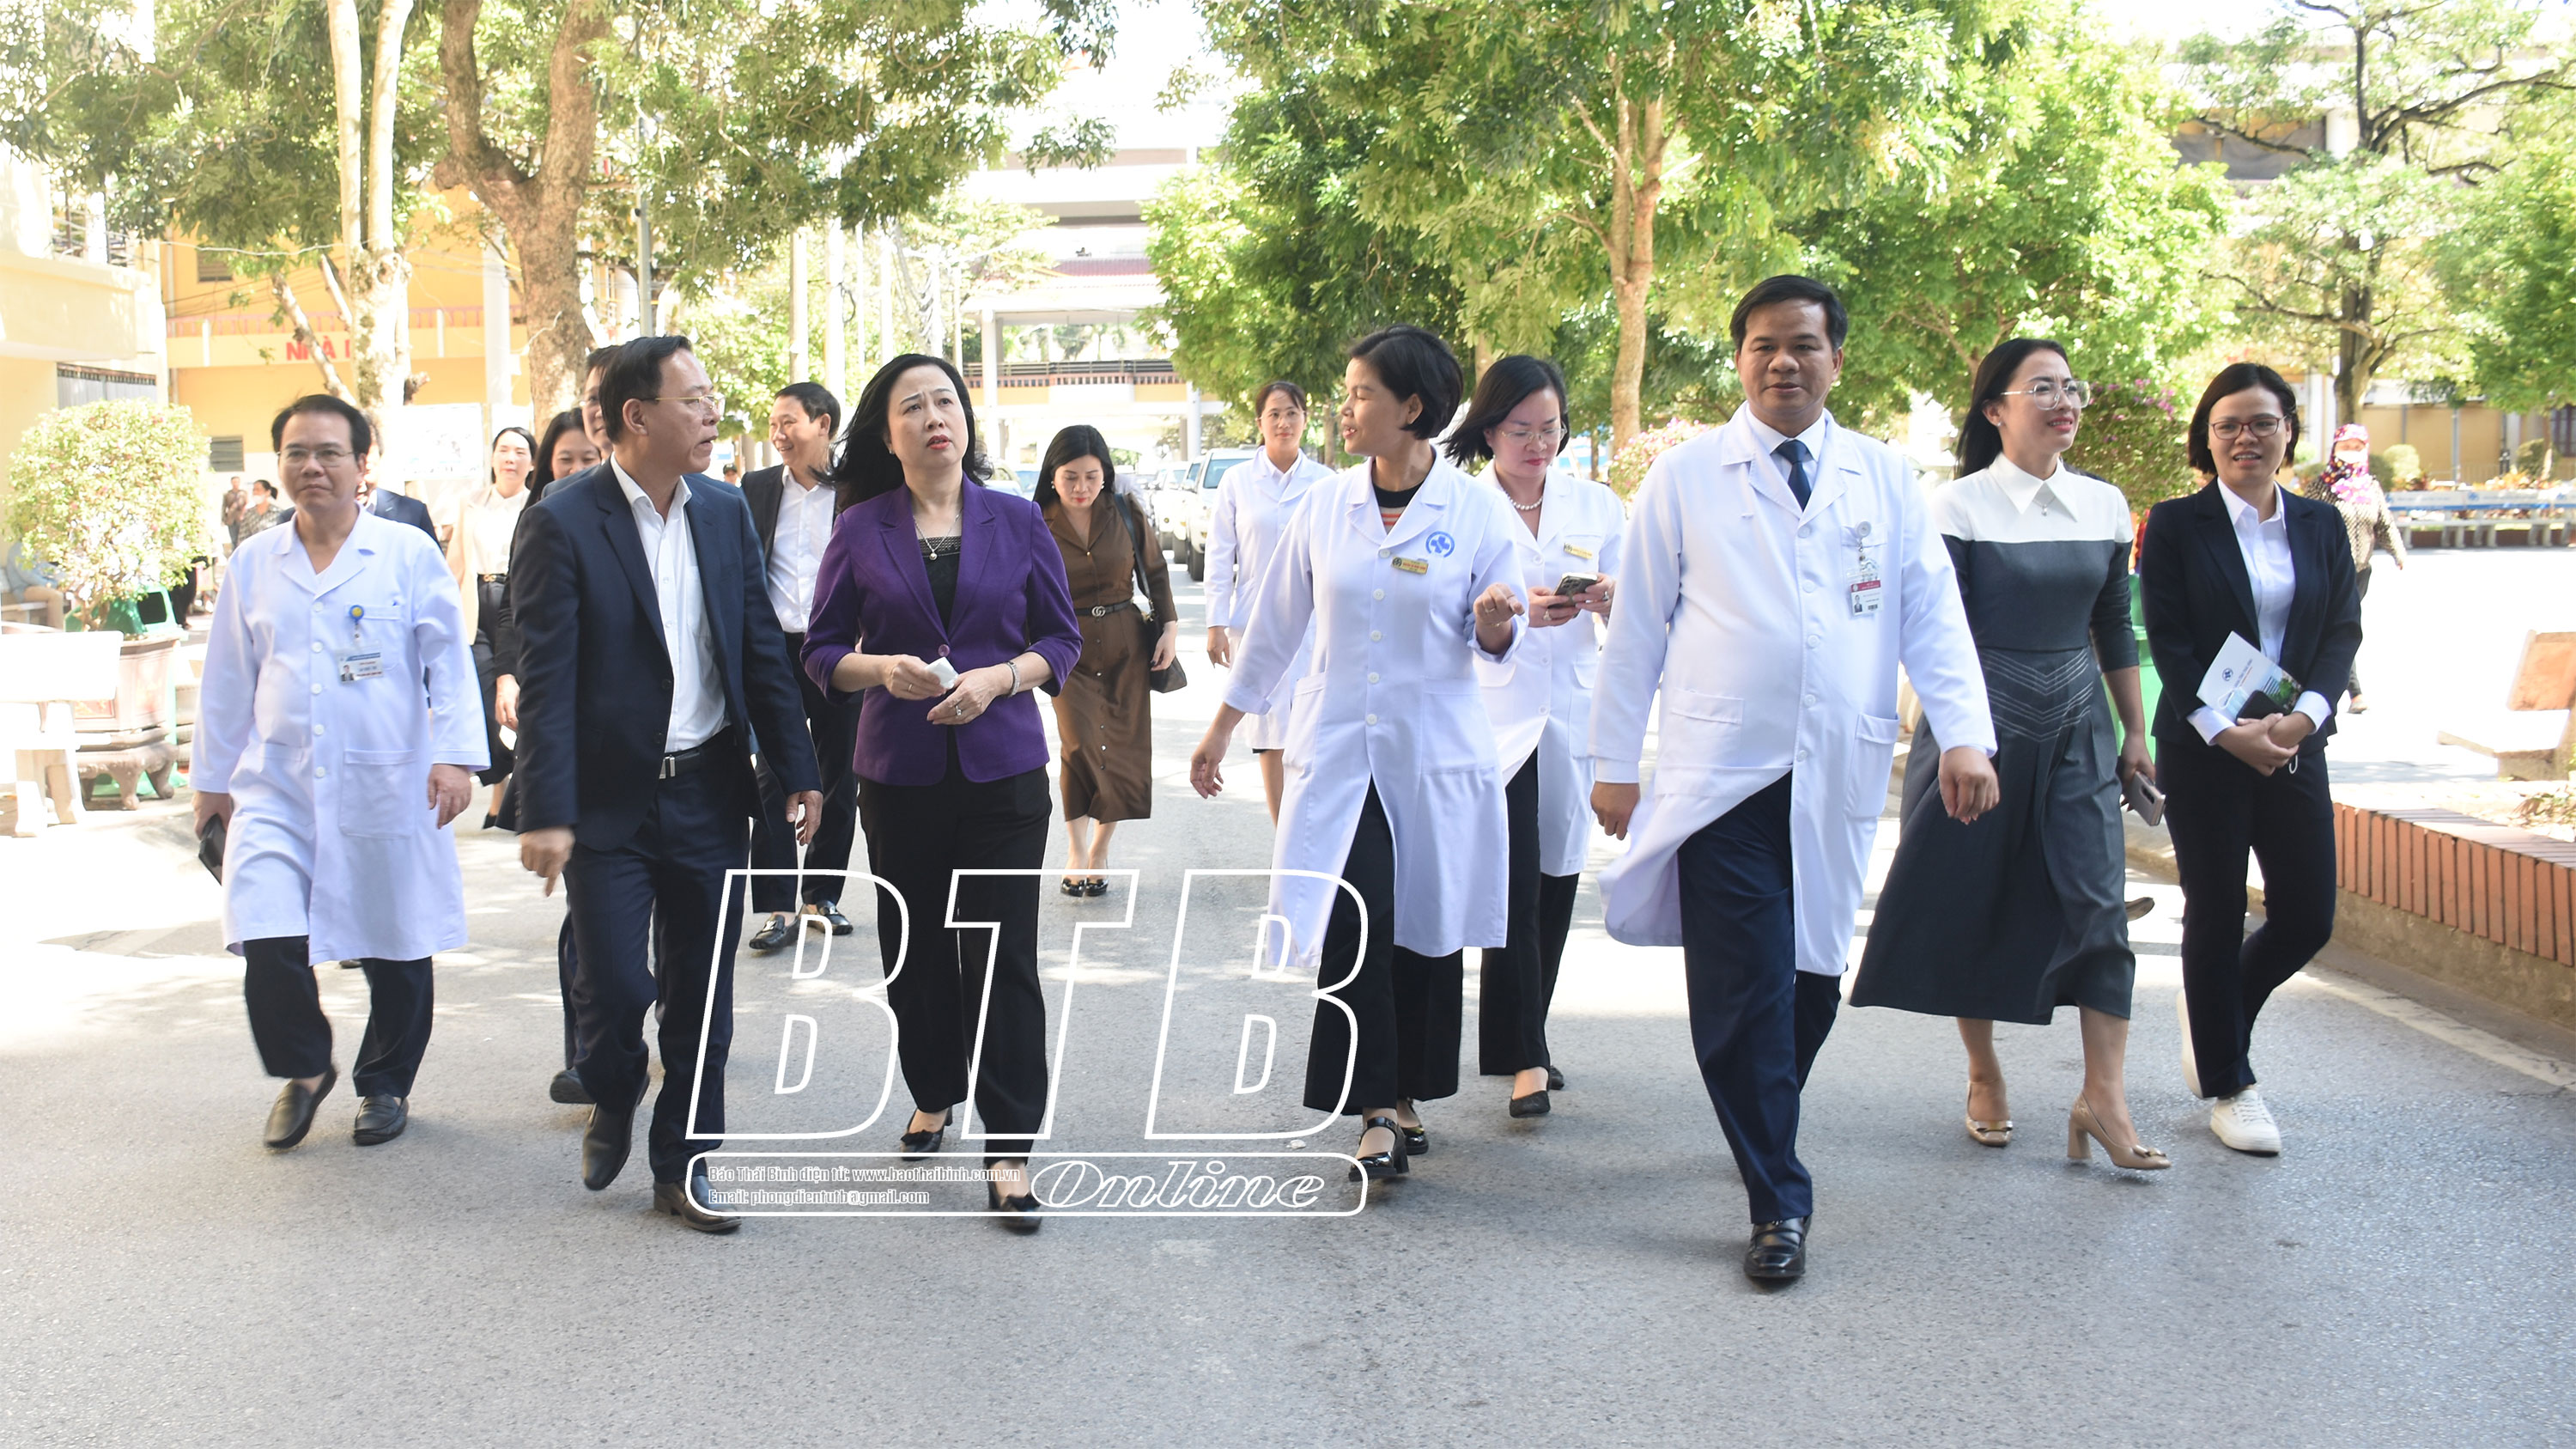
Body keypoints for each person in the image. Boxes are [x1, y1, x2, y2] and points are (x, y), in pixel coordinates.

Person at [1589, 277, 1998, 1284]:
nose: (1784, 362)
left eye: (1804, 345)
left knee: (1810, 982)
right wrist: (1613, 764)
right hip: (1723, 774)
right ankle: (1779, 1199)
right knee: (1744, 988)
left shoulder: (1883, 477)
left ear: (1836, 361)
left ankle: (1759, 1112)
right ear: (1739, 359)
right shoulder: (1687, 476)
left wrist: (1964, 736)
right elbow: (1637, 627)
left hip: (1835, 769)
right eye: (1764, 345)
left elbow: (1931, 613)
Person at [1188, 325, 1526, 1182]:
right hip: (1342, 752)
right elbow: (1275, 627)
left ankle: (1407, 1093)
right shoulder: (1326, 504)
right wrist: (1222, 728)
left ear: (1412, 407)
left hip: (1431, 752)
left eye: (1361, 394)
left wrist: (1495, 623)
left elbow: (1499, 631)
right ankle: (1375, 1107)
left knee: (1423, 927)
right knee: (1357, 918)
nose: (1345, 409)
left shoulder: (1474, 509)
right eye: (1345, 393)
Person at [512, 335, 825, 1233]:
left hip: (709, 792)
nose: (712, 412)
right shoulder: (563, 520)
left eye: (712, 396)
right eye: (693, 399)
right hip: (607, 803)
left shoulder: (723, 512)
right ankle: (613, 1087)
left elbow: (759, 649)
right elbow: (545, 680)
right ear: (636, 416)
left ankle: (684, 1164)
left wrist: (797, 768)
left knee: (702, 995)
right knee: (615, 987)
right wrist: (546, 809)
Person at [1850, 339, 2166, 1172]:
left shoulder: (2104, 504)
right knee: (1975, 900)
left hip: (2079, 732)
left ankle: (2105, 1098)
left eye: (2072, 386)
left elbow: (2112, 625)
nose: (2065, 401)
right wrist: (1961, 738)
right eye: (2043, 387)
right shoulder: (1955, 507)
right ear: (1996, 409)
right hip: (1977, 732)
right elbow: (1934, 629)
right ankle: (1983, 1070)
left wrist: (2136, 734)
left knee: (2100, 908)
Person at [803, 353, 1083, 1232]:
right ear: (888, 435)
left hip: (1003, 775)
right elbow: (821, 652)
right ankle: (933, 1090)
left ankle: (1010, 1146)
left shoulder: (1017, 518)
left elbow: (1060, 640)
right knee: (916, 955)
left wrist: (1000, 678)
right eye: (913, 406)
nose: (934, 416)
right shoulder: (860, 527)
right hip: (900, 775)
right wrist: (881, 668)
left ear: (965, 420)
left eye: (946, 402)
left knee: (1001, 958)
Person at [188, 394, 485, 1150]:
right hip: (276, 786)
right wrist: (210, 785)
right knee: (265, 933)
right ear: (280, 464)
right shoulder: (254, 562)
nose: (312, 466)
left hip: (387, 779)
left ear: (362, 464)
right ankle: (305, 1065)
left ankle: (385, 1082)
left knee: (397, 939)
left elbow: (449, 661)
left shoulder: (405, 552)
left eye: (328, 452)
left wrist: (454, 756)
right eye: (296, 453)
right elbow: (227, 681)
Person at [2141, 362, 2360, 1157]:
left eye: (2263, 422)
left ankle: (2214, 1011)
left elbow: (2341, 631)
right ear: (2206, 436)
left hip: (2294, 742)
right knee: (2216, 907)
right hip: (2204, 747)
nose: (2246, 437)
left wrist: (2304, 718)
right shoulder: (2176, 523)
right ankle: (2231, 1084)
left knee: (2307, 915)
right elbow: (2169, 638)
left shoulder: (2322, 524)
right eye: (2229, 423)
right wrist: (2222, 730)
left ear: (2288, 432)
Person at [1449, 354, 1623, 1119]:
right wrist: (1504, 620)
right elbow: (1449, 615)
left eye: (1550, 428)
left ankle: (1520, 1037)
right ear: (1490, 431)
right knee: (1514, 878)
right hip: (1495, 713)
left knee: (1554, 880)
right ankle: (1526, 1055)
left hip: (1572, 710)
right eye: (1521, 430)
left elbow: (1638, 606)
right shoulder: (1462, 505)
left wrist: (1608, 597)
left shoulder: (1598, 505)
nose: (1538, 444)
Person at [741, 382, 864, 951]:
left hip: (839, 651)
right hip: (775, 652)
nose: (778, 433)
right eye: (773, 424)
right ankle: (776, 906)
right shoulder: (757, 487)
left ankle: (821, 896)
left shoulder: (856, 491)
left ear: (823, 424)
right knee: (772, 776)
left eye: (788, 421)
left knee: (839, 775)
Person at [1036, 424, 1178, 895]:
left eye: (1091, 477)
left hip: (1126, 643)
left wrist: (1170, 629)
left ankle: (1099, 850)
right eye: (1070, 477)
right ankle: (1075, 850)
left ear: (1106, 476)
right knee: (1078, 746)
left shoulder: (1125, 511)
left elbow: (1155, 572)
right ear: (1053, 476)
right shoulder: (1035, 521)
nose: (1081, 488)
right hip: (1066, 647)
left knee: (1119, 748)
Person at [1204, 380, 1337, 821]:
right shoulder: (1238, 481)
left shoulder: (1326, 483)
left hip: (1315, 626)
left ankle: (1309, 829)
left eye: (1292, 413)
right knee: (1270, 732)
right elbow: (1219, 556)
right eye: (1274, 414)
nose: (1283, 422)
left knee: (1310, 729)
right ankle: (1285, 836)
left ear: (1305, 420)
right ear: (1259, 422)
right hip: (1255, 622)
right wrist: (1216, 624)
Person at [447, 426, 536, 828]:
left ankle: (503, 798)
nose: (510, 458)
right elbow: (456, 561)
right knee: (489, 702)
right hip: (475, 602)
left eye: (520, 451)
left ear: (532, 462)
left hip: (516, 601)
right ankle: (502, 781)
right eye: (503, 450)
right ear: (493, 457)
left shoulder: (537, 503)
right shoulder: (471, 503)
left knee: (517, 699)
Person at [2301, 423, 2406, 713]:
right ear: (2335, 449)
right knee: (2343, 627)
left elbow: (2383, 523)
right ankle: (2353, 692)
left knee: (2341, 628)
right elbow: (2303, 523)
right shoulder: (2322, 486)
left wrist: (2398, 553)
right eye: (2345, 447)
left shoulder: (2370, 486)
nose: (2351, 452)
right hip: (2330, 571)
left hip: (2360, 571)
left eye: (2357, 447)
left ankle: (2328, 686)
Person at [234, 480, 288, 544]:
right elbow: (243, 536)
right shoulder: (249, 513)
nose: (255, 492)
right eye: (254, 490)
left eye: (258, 490)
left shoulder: (278, 513)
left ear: (268, 492)